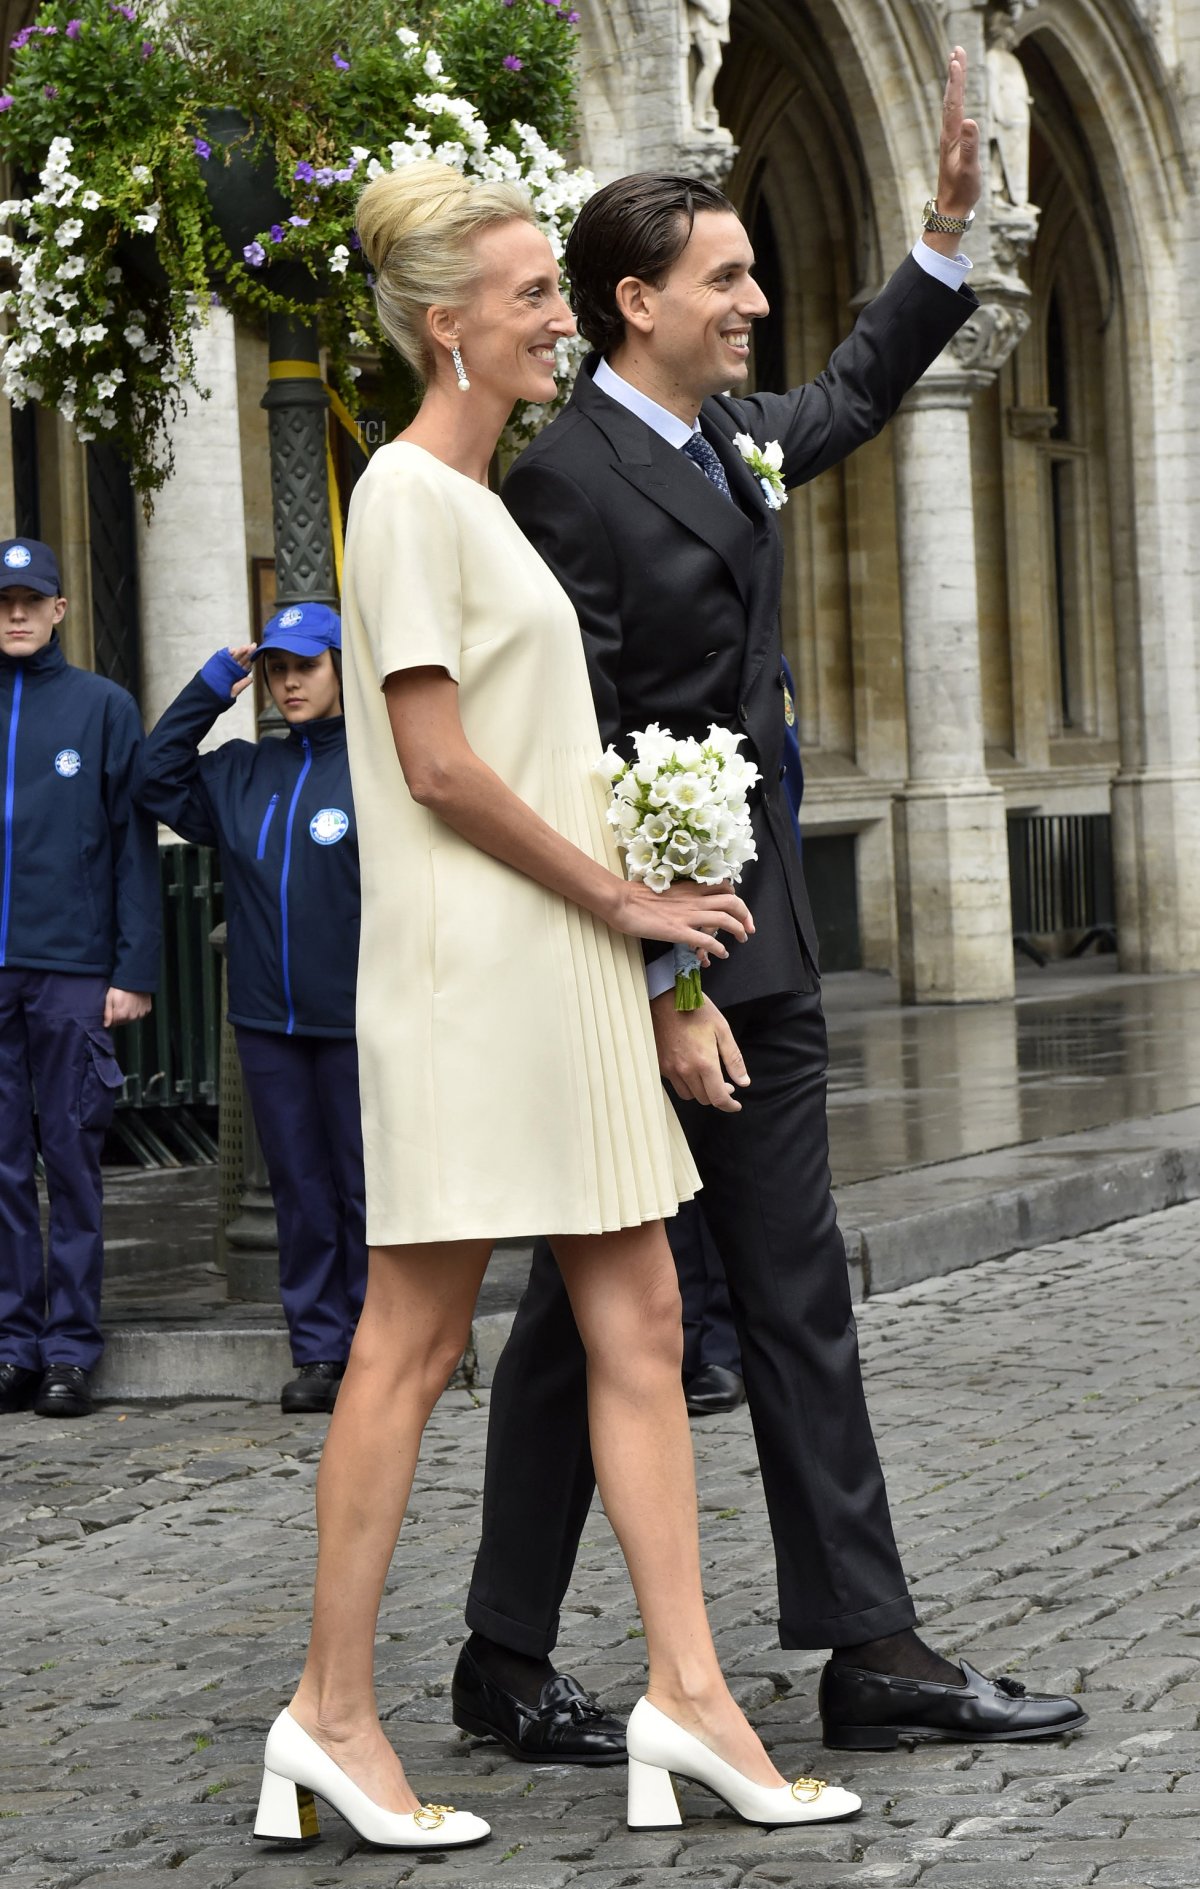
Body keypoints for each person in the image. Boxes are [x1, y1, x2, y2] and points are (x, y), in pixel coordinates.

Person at [453, 48, 1088, 1757]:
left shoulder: (734, 435)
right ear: (632, 300)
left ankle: (863, 1645)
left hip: (766, 942)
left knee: (782, 1286)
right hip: (645, 966)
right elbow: (571, 749)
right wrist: (662, 987)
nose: (753, 302)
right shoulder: (560, 481)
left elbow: (859, 389)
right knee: (592, 1312)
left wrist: (945, 239)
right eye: (725, 279)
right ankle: (507, 1651)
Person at [250, 162, 862, 1856]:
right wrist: (627, 900)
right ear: (448, 323)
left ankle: (695, 1693)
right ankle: (331, 1711)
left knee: (647, 1317)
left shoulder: (488, 491)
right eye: (529, 294)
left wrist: (653, 966)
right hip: (475, 970)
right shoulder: (405, 504)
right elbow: (439, 764)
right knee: (414, 1338)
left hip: (571, 964)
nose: (554, 315)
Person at [134, 605, 367, 1414]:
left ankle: (381, 1348)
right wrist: (209, 686)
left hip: (358, 1022)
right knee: (302, 1190)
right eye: (277, 668)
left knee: (367, 1188)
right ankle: (320, 1350)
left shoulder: (377, 767)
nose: (290, 681)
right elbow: (152, 775)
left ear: (342, 667)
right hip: (269, 1022)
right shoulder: (239, 771)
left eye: (306, 665)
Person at [0, 536, 158, 1420]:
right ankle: (11, 1344)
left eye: (32, 600)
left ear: (59, 609)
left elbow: (133, 844)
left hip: (70, 970)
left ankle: (69, 1349)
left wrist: (132, 966)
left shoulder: (102, 707)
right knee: (1, 1167)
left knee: (71, 1161)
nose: (16, 614)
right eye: (3, 601)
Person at [677, 652, 803, 1421]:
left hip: (744, 925)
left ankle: (720, 1343)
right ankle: (690, 1342)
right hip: (663, 928)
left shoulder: (762, 669)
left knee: (733, 1147)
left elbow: (779, 787)